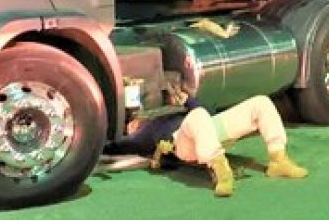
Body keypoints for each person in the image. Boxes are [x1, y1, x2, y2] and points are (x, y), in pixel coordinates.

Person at [106, 80, 308, 197]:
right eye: (130, 124)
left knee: (261, 103)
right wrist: (101, 144)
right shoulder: (146, 132)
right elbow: (120, 145)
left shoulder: (164, 113)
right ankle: (222, 171)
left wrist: (188, 100)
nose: (134, 122)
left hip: (209, 129)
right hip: (184, 144)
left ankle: (278, 159)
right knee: (198, 117)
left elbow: (208, 112)